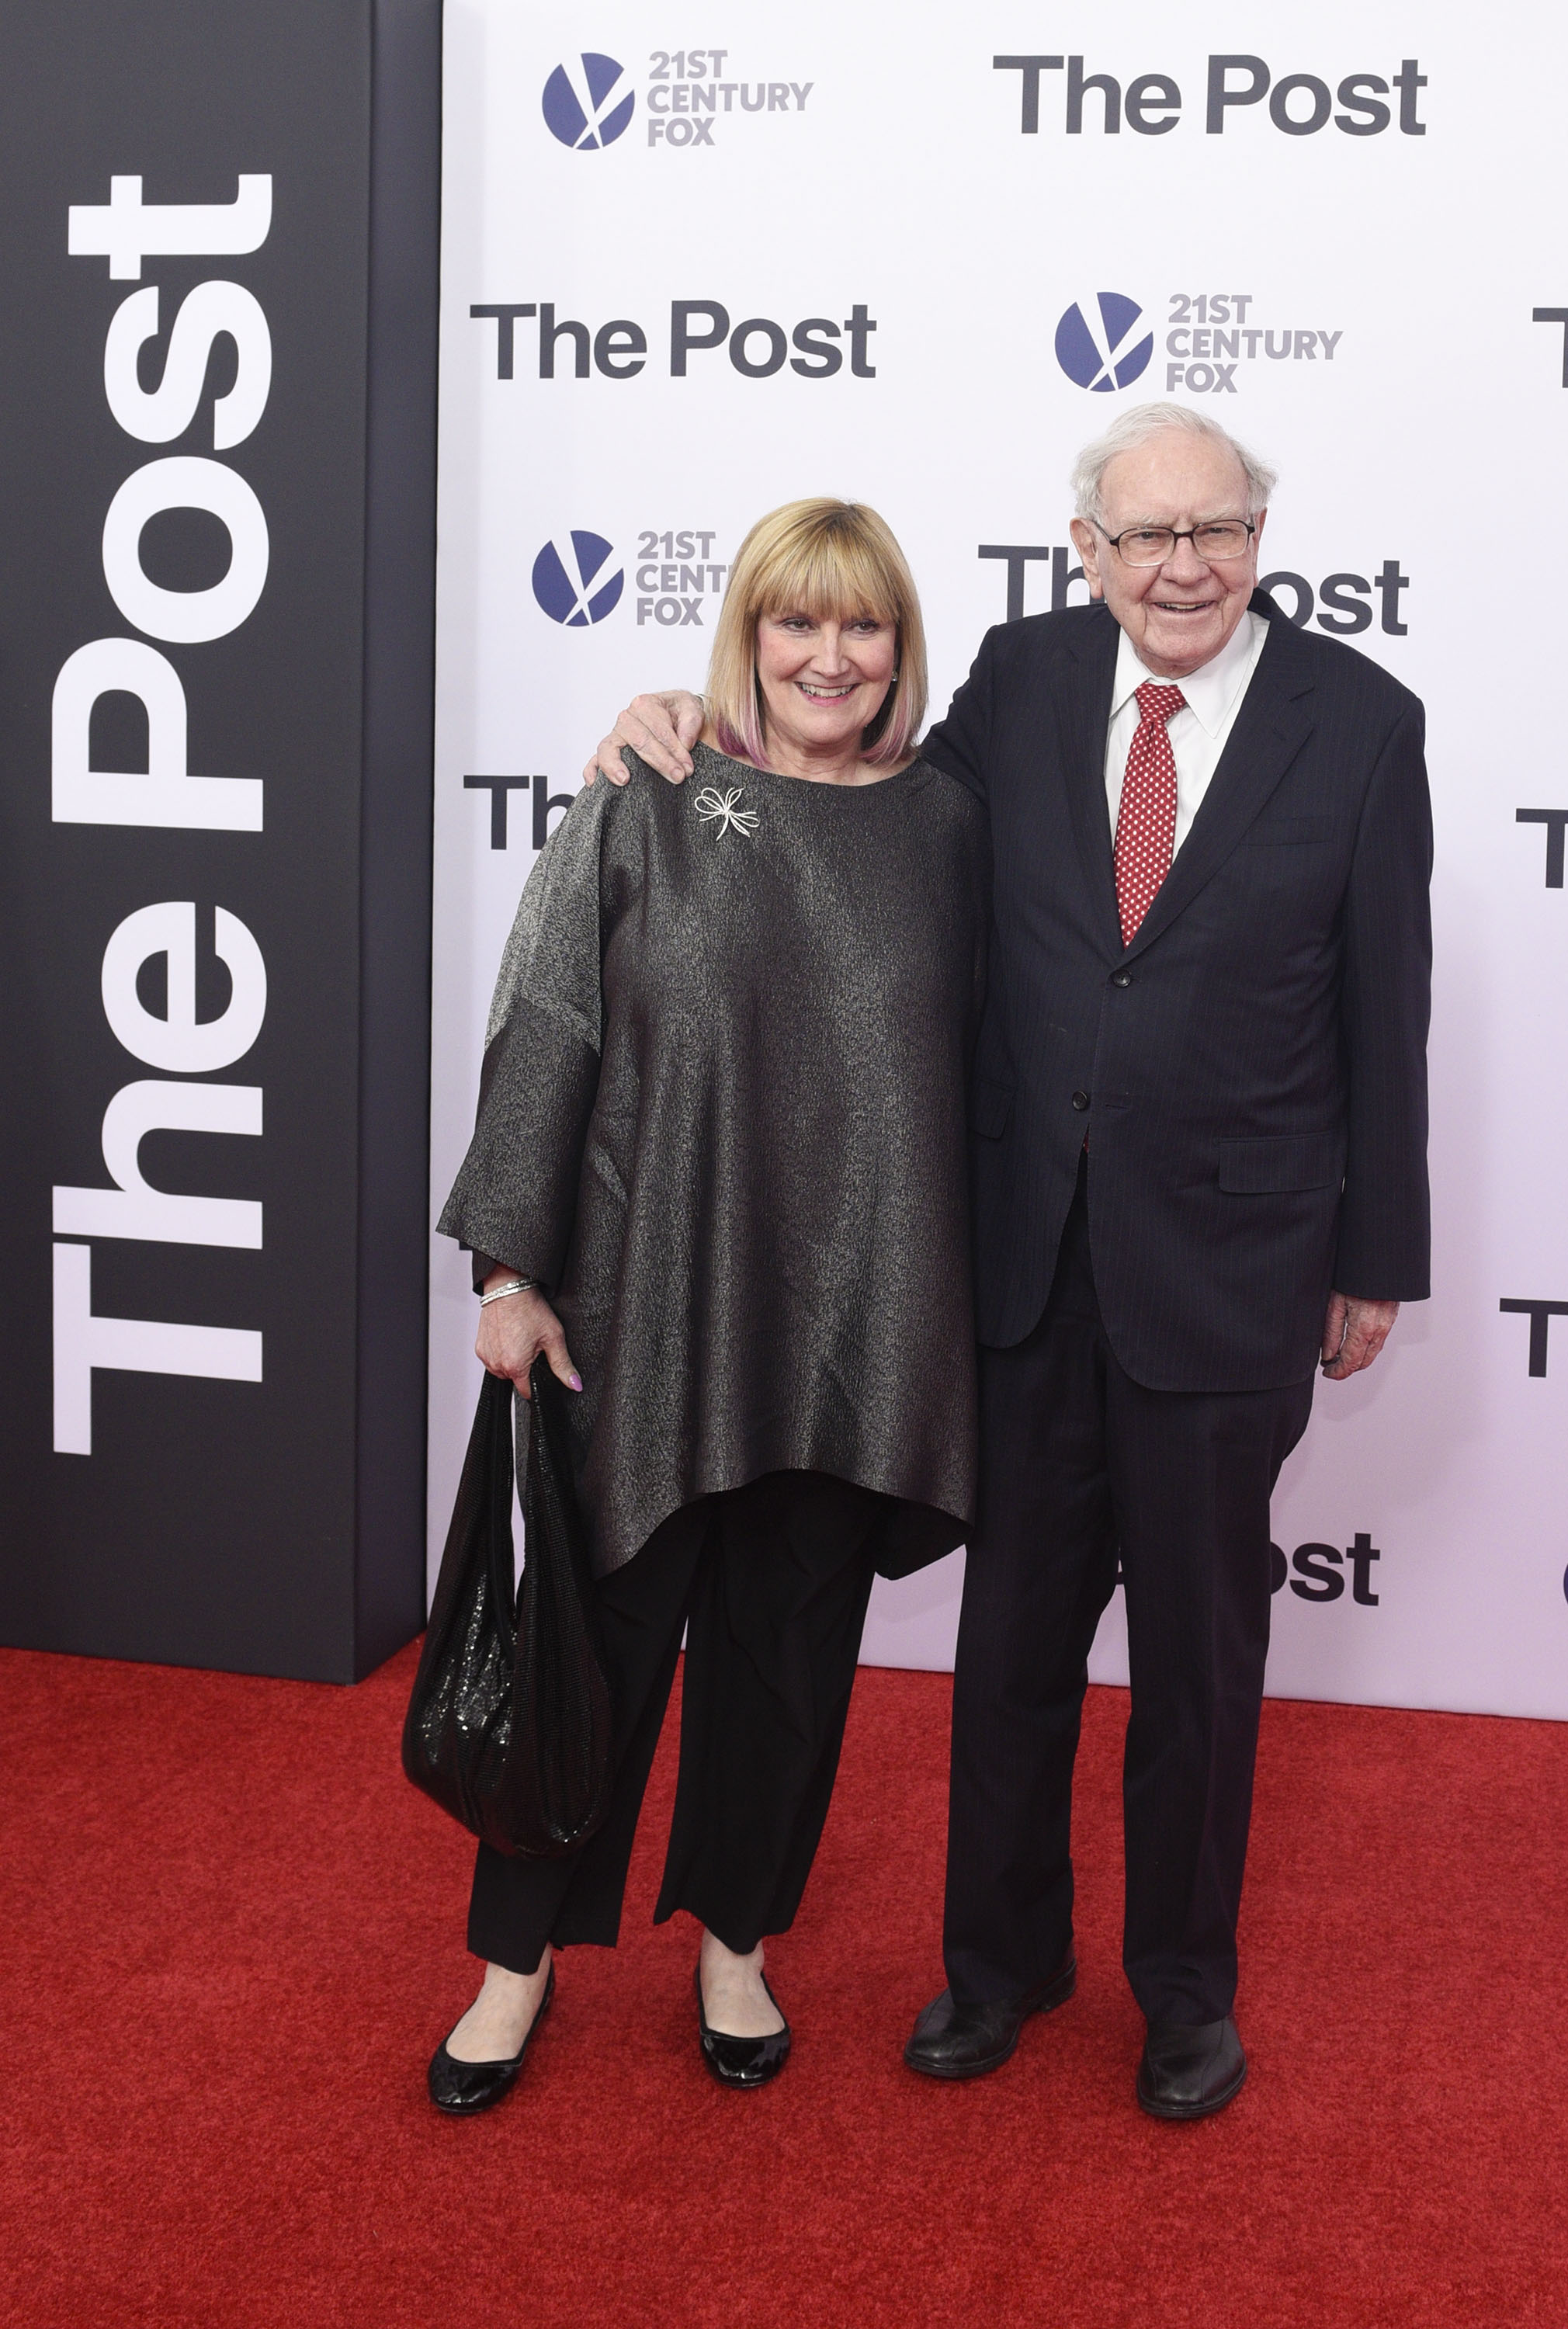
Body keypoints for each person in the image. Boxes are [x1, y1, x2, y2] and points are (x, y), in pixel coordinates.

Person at [585, 403, 1433, 2119]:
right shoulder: (1023, 682)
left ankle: (1183, 1992)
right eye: (1142, 537)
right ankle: (997, 1966)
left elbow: (1382, 1011)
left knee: (1197, 1664)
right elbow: (856, 806)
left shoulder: (1359, 720)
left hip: (1231, 1271)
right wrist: (692, 719)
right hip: (1020, 1263)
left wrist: (1374, 1259)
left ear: (1257, 534)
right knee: (1013, 1651)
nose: (1179, 565)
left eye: (1213, 530)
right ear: (1086, 551)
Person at [428, 498, 989, 2114]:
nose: (829, 657)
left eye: (861, 625)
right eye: (793, 623)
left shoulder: (953, 827)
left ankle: (736, 1943)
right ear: (742, 636)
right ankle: (511, 1966)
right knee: (587, 1658)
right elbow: (546, 1022)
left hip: (857, 1326)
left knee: (790, 1659)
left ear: (899, 648)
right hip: (646, 1307)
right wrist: (512, 1270)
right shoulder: (649, 797)